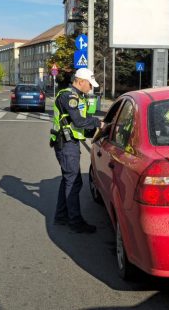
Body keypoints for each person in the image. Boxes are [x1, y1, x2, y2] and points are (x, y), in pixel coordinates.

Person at [50, 68, 104, 233]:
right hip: (66, 145)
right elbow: (79, 121)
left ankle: (61, 216)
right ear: (80, 81)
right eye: (89, 84)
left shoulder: (77, 96)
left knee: (68, 180)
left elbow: (78, 125)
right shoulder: (68, 96)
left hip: (69, 144)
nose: (90, 88)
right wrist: (98, 123)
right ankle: (75, 222)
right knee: (74, 182)